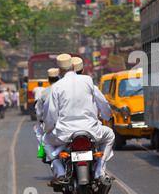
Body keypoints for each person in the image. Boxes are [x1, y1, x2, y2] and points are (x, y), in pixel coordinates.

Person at [43, 53, 114, 186]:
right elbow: (103, 105)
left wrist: (48, 129)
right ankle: (100, 171)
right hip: (91, 131)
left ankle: (60, 172)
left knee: (45, 140)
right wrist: (106, 117)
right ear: (74, 66)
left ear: (59, 70)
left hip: (65, 133)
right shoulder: (88, 81)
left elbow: (51, 113)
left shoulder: (57, 87)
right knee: (110, 135)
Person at [34, 68, 59, 150]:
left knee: (40, 135)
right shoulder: (67, 89)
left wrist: (39, 124)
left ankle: (45, 155)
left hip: (54, 128)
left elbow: (39, 113)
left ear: (48, 79)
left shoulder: (44, 93)